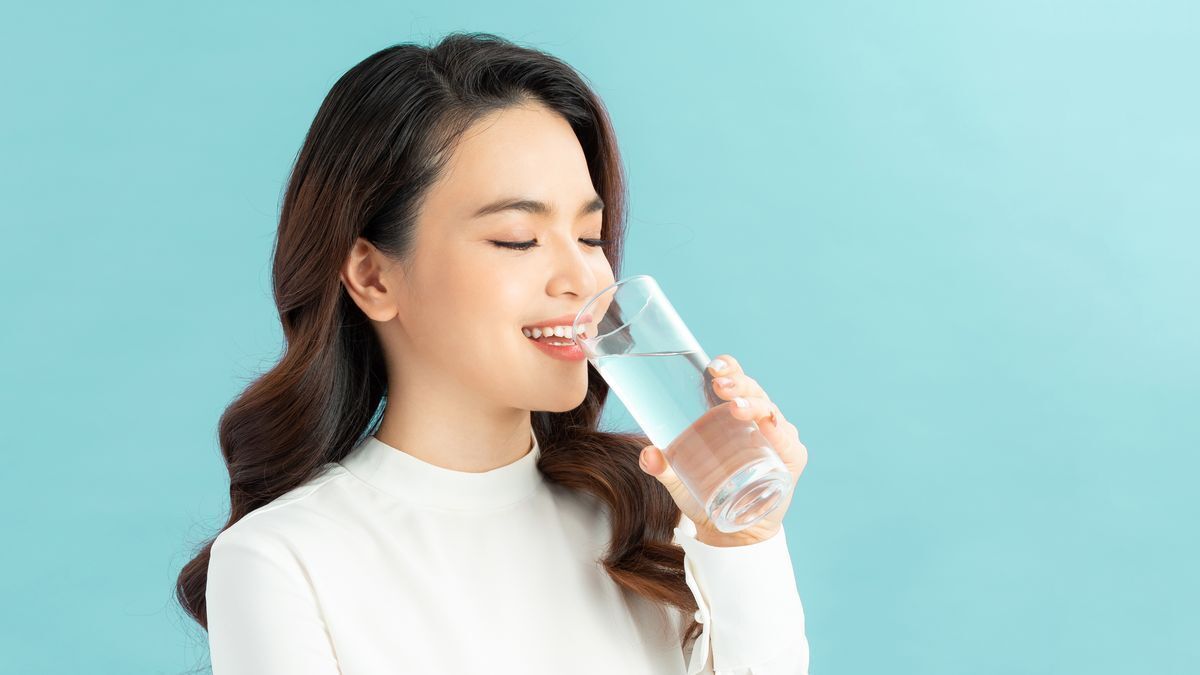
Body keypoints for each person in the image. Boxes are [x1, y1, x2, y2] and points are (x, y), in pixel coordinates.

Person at [175, 31, 811, 674]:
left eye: (590, 236)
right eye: (517, 239)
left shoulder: (647, 520)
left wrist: (741, 541)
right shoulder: (283, 559)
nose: (583, 278)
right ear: (373, 277)